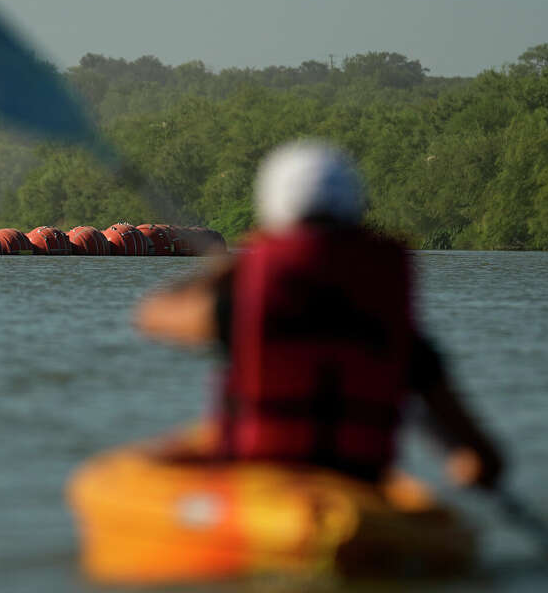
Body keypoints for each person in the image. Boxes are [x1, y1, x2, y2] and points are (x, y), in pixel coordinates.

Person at [133, 139, 505, 499]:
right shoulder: (397, 332)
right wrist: (469, 464)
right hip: (358, 485)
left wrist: (236, 267)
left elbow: (153, 313)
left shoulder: (248, 315)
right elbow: (483, 459)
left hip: (266, 486)